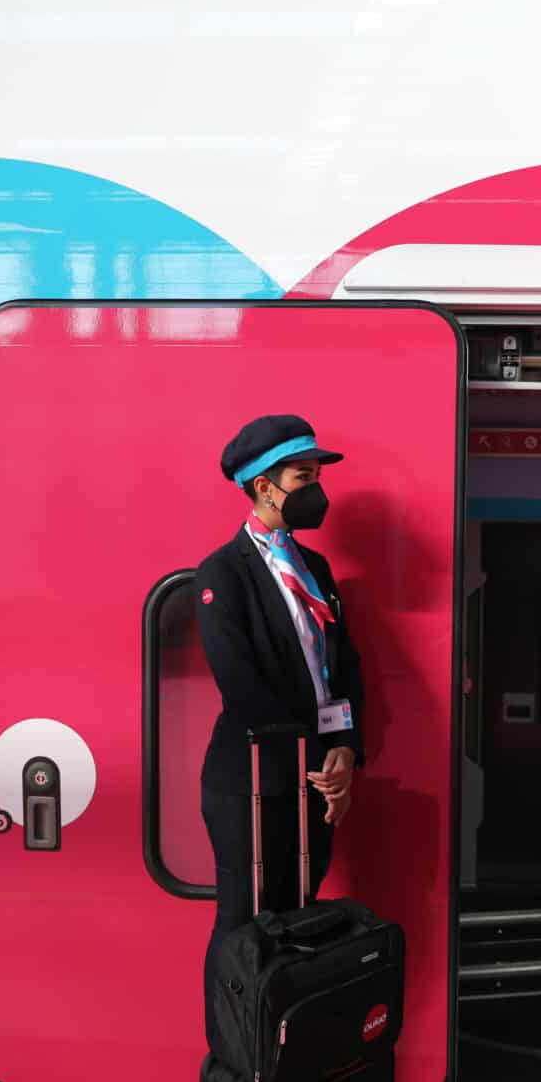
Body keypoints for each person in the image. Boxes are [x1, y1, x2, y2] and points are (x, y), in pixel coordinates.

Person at [195, 414, 366, 1044]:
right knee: (245, 922)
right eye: (304, 476)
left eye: (317, 475)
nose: (317, 488)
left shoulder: (315, 568)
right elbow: (241, 685)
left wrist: (344, 750)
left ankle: (286, 1049)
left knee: (298, 916)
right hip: (252, 779)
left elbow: (341, 669)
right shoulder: (223, 574)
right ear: (265, 486)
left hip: (314, 774)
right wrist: (315, 759)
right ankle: (236, 1058)